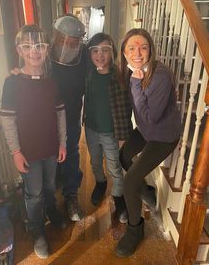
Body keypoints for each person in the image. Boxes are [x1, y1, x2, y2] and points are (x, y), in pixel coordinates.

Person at [0, 25, 67, 259]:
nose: (34, 51)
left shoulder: (50, 83)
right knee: (34, 192)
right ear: (20, 49)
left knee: (49, 186)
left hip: (50, 147)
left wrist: (63, 143)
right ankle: (37, 228)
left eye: (39, 46)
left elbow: (60, 114)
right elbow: (7, 119)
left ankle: (52, 210)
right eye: (28, 46)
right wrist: (15, 151)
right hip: (27, 150)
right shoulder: (12, 83)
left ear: (46, 50)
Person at [115, 28, 181, 257]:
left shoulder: (160, 75)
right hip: (145, 130)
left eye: (143, 47)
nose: (138, 53)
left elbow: (150, 116)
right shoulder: (130, 70)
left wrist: (135, 83)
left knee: (129, 181)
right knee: (123, 156)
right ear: (124, 53)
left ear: (151, 49)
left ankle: (135, 230)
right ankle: (145, 190)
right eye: (131, 48)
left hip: (163, 136)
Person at [83, 33, 132, 223]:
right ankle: (100, 183)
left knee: (115, 166)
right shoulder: (89, 74)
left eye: (105, 50)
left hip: (111, 132)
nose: (100, 55)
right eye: (95, 50)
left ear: (113, 53)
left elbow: (127, 105)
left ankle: (119, 198)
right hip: (91, 129)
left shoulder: (121, 76)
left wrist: (123, 135)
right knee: (95, 161)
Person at [50, 14, 86, 221]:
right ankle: (50, 198)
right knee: (49, 156)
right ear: (55, 37)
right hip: (46, 118)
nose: (67, 46)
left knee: (71, 152)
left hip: (71, 115)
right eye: (63, 41)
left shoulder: (83, 59)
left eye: (73, 43)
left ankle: (71, 195)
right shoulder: (44, 57)